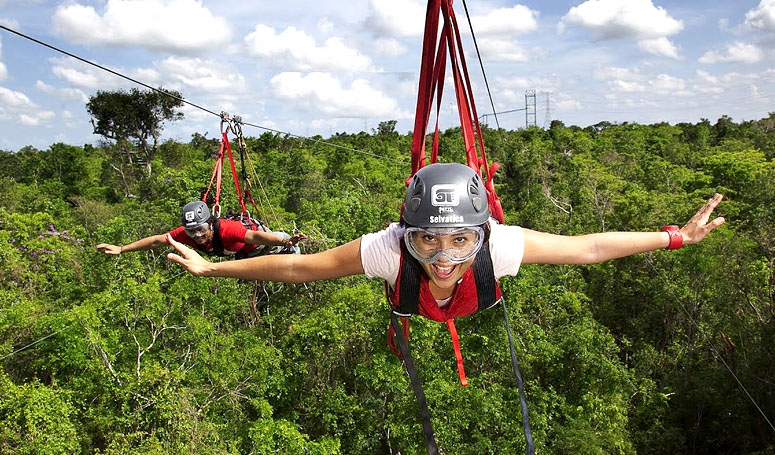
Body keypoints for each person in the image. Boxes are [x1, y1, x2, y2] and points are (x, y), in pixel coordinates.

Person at [165, 164, 725, 301]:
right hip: (422, 305)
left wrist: (675, 237)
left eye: (461, 240)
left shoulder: (500, 244)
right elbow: (294, 266)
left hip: (462, 302)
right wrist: (213, 267)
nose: (441, 257)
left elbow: (590, 247)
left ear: (483, 233)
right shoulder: (389, 251)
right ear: (402, 234)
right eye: (425, 239)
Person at [97, 200, 307, 259]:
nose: (197, 236)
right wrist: (123, 249)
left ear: (210, 223)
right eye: (191, 232)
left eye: (201, 229)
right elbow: (156, 241)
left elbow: (255, 235)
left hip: (265, 245)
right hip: (245, 255)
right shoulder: (185, 235)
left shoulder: (227, 229)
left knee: (288, 251)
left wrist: (285, 242)